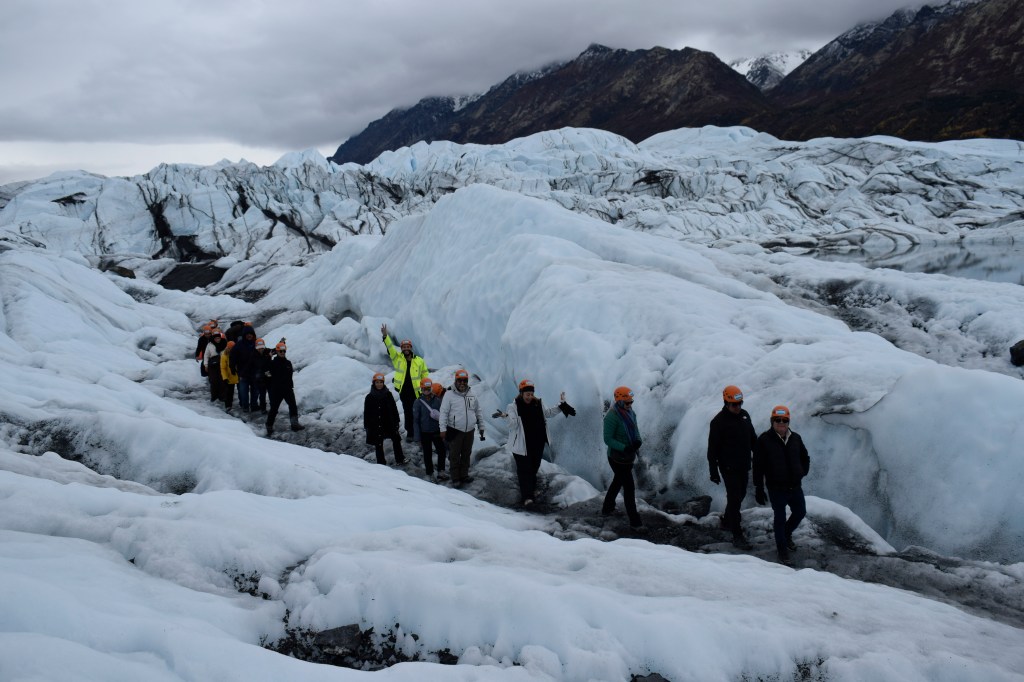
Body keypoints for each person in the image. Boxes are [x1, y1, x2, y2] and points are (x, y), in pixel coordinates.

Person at [494, 379, 575, 506]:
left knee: (533, 469)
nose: (530, 397)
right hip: (521, 445)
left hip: (537, 443)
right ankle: (527, 497)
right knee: (524, 470)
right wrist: (506, 416)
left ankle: (530, 491)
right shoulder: (513, 407)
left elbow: (548, 413)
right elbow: (513, 424)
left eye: (531, 394)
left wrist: (561, 405)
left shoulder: (538, 403)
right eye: (527, 394)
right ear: (521, 393)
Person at [752, 405, 810, 566]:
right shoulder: (764, 440)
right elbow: (757, 466)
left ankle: (785, 534)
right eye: (777, 420)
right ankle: (782, 549)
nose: (781, 423)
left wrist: (802, 471)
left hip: (795, 486)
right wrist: (759, 488)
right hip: (776, 488)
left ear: (788, 421)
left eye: (784, 420)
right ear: (772, 421)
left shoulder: (795, 438)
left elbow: (805, 457)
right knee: (780, 517)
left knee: (800, 512)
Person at [707, 384, 758, 549]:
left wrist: (761, 454)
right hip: (728, 467)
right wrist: (714, 471)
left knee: (740, 494)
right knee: (735, 499)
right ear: (726, 403)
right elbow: (712, 449)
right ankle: (737, 535)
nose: (737, 407)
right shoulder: (718, 422)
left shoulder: (745, 415)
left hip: (744, 465)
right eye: (734, 404)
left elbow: (752, 438)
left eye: (740, 403)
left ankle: (727, 519)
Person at [601, 386, 643, 528]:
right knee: (629, 487)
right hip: (617, 458)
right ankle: (635, 522)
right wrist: (624, 447)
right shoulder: (611, 417)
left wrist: (638, 441)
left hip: (628, 456)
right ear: (619, 401)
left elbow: (635, 430)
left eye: (631, 402)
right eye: (627, 402)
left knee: (618, 482)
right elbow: (608, 439)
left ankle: (607, 508)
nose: (630, 405)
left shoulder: (631, 413)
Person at [381, 324, 429, 442]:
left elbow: (425, 374)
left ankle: (420, 432)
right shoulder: (397, 358)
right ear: (401, 348)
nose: (406, 348)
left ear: (411, 348)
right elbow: (390, 347)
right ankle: (410, 433)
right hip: (404, 392)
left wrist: (425, 388)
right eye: (404, 347)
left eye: (408, 346)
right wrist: (385, 336)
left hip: (417, 391)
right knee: (408, 412)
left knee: (418, 412)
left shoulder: (419, 361)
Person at [439, 368, 484, 488]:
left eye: (465, 380)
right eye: (460, 380)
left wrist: (481, 426)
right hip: (455, 430)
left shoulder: (472, 394)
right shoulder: (449, 394)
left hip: (469, 430)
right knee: (454, 455)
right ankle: (455, 477)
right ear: (456, 381)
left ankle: (464, 475)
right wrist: (442, 429)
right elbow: (443, 413)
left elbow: (478, 411)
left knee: (466, 453)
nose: (462, 383)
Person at [364, 372, 406, 465]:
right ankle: (381, 464)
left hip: (389, 423)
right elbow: (367, 413)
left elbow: (394, 409)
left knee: (396, 439)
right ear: (374, 383)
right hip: (376, 424)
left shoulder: (388, 394)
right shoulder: (369, 397)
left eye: (381, 382)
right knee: (378, 444)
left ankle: (400, 459)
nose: (379, 384)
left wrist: (397, 421)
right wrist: (367, 426)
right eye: (377, 382)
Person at [265, 339, 304, 435]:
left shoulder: (288, 363)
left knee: (293, 406)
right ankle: (269, 425)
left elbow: (290, 375)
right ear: (277, 352)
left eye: (284, 351)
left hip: (288, 389)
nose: (282, 353)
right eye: (280, 351)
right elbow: (266, 372)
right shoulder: (272, 363)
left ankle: (294, 424)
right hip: (276, 390)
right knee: (274, 408)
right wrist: (268, 358)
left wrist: (290, 386)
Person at [412, 377, 447, 480]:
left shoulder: (437, 400)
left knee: (442, 451)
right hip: (425, 433)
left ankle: (441, 471)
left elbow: (443, 416)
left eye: (428, 388)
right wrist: (417, 437)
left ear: (431, 388)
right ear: (421, 389)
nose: (426, 390)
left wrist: (443, 430)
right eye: (424, 388)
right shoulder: (418, 402)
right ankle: (430, 473)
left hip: (436, 431)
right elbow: (416, 421)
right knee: (427, 454)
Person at [231, 325, 258, 413]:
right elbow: (232, 357)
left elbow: (264, 352)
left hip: (255, 373)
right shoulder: (238, 345)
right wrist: (232, 367)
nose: (249, 335)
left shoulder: (257, 344)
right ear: (244, 335)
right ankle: (245, 406)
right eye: (247, 334)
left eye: (251, 334)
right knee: (243, 392)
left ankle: (254, 406)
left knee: (255, 391)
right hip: (243, 373)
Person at [249, 338, 271, 413]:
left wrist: (281, 343)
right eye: (259, 348)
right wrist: (268, 357)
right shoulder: (253, 354)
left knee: (270, 392)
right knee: (262, 393)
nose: (261, 349)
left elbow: (275, 350)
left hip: (267, 376)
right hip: (259, 378)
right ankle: (263, 408)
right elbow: (260, 364)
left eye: (262, 348)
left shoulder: (266, 351)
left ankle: (272, 407)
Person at [205, 329, 226, 403]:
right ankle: (214, 396)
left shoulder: (224, 343)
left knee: (222, 381)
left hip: (222, 364)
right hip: (213, 365)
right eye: (216, 338)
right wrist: (206, 365)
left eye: (218, 338)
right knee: (213, 381)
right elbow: (206, 355)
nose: (217, 339)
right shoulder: (210, 345)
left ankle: (222, 396)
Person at [219, 340, 239, 411]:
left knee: (241, 391)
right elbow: (223, 368)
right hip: (229, 376)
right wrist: (224, 377)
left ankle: (242, 404)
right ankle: (228, 405)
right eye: (231, 348)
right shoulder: (224, 356)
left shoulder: (238, 354)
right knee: (229, 392)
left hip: (238, 375)